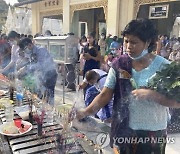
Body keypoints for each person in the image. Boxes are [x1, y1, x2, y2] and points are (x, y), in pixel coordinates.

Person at [75, 19, 180, 154]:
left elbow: (177, 101)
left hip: (152, 133)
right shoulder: (120, 64)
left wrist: (153, 95)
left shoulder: (164, 66)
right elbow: (105, 94)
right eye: (126, 41)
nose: (128, 46)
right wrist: (86, 111)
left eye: (134, 42)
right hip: (124, 129)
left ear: (148, 42)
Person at [17, 38, 58, 105]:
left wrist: (26, 68)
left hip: (50, 75)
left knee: (48, 96)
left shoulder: (41, 50)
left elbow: (41, 65)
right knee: (40, 97)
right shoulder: (31, 53)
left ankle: (50, 110)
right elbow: (32, 65)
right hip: (41, 76)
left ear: (30, 45)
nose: (25, 51)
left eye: (25, 49)